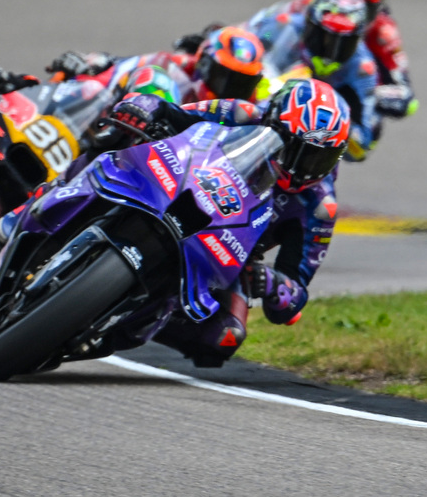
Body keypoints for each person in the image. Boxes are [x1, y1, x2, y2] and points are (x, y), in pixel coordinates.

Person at [90, 78, 350, 367]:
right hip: (179, 188)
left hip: (228, 253)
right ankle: (61, 192)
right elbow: (173, 112)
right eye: (296, 149)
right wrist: (144, 107)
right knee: (115, 139)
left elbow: (292, 300)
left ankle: (120, 327)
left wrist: (271, 282)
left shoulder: (319, 207)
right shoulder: (241, 113)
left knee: (225, 336)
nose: (306, 168)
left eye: (320, 158)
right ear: (274, 124)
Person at [176, 0, 418, 124]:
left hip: (347, 86)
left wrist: (375, 96)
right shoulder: (313, 7)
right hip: (296, 72)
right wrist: (219, 40)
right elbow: (261, 29)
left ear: (378, 6)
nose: (349, 4)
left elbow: (405, 93)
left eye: (366, 2)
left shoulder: (384, 33)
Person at [242, 0, 381, 161]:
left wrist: (335, 121)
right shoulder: (282, 24)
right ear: (309, 25)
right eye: (323, 37)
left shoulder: (363, 69)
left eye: (343, 43)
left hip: (299, 149)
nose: (331, 50)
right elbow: (242, 46)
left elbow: (362, 144)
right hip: (256, 109)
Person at [48, 25, 266, 104]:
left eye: (243, 83)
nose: (232, 90)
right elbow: (116, 73)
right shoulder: (169, 63)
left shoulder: (251, 110)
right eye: (225, 78)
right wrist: (88, 69)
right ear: (205, 65)